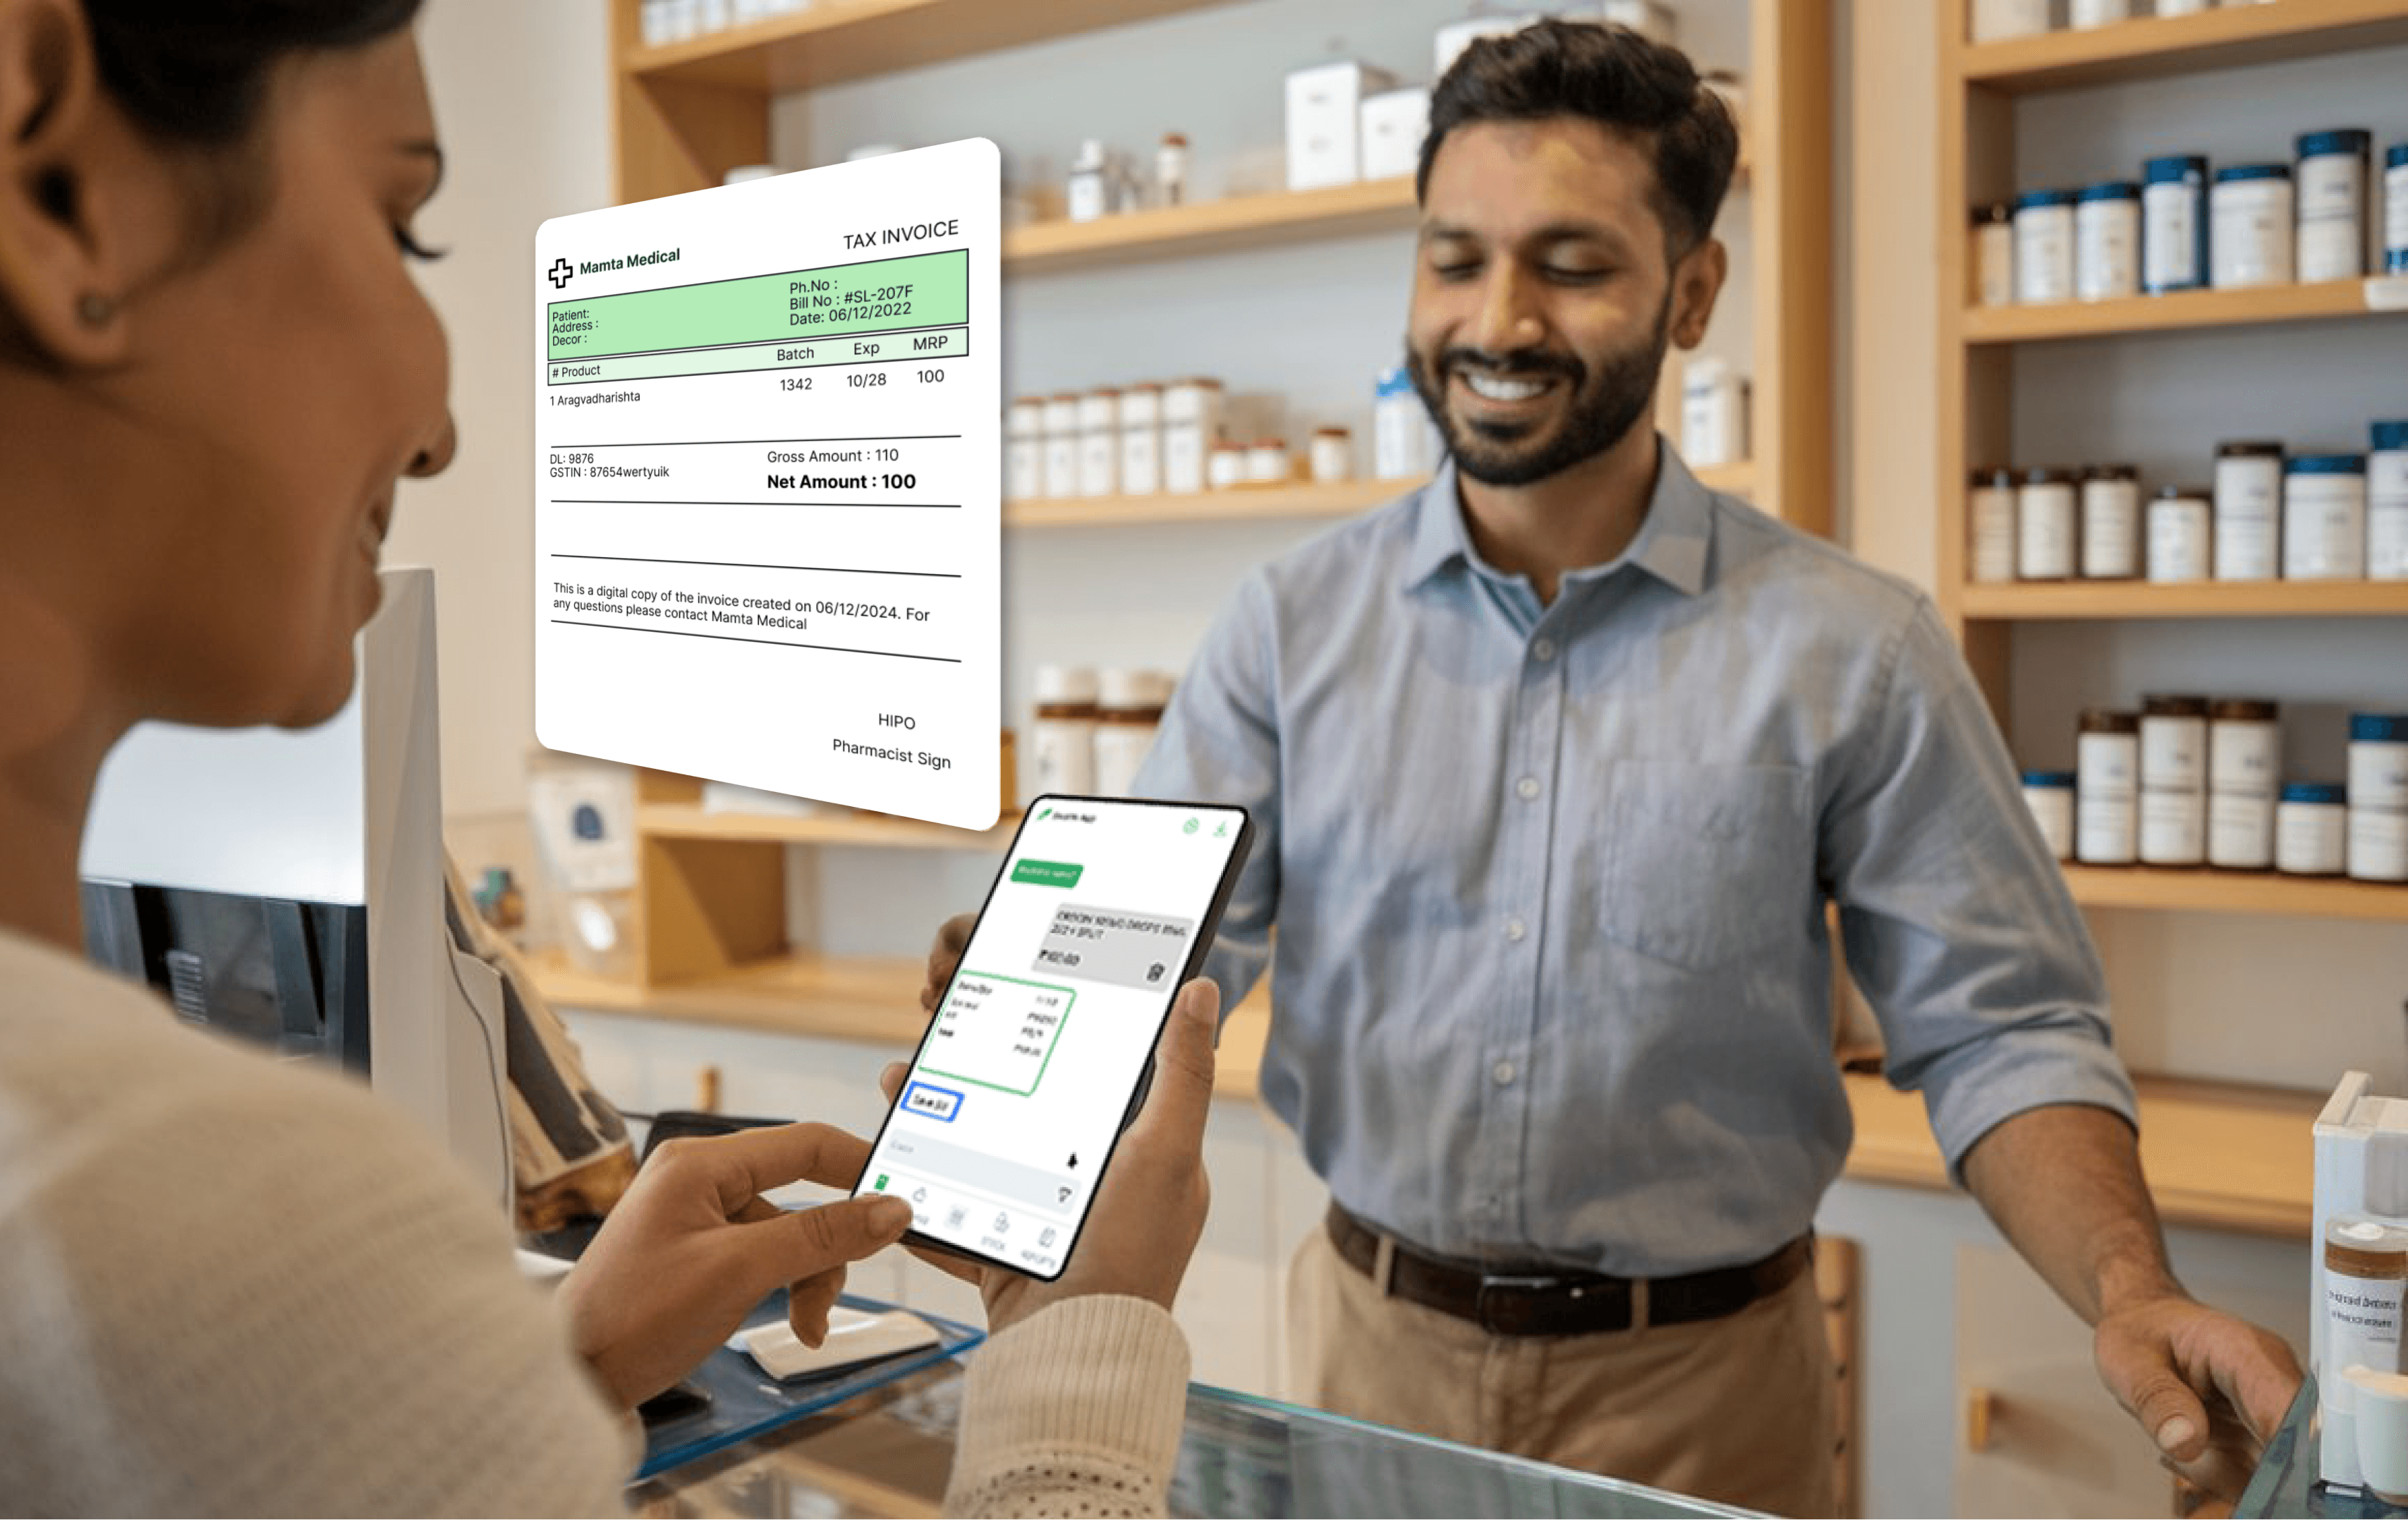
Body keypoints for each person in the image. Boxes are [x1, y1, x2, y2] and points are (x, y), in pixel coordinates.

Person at [0, 1, 1217, 1514]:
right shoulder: (133, 1230)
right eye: (399, 222)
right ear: (54, 182)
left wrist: (528, 1388)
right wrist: (1074, 1349)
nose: (438, 429)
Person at [925, 20, 2300, 1517]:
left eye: (1571, 265)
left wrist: (2128, 1286)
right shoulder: (1288, 626)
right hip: (1371, 1357)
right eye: (1455, 260)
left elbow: (2005, 1030)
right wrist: (1034, 1032)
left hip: (1705, 1392)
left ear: (1692, 293)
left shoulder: (1856, 647)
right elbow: (1167, 965)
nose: (1496, 319)